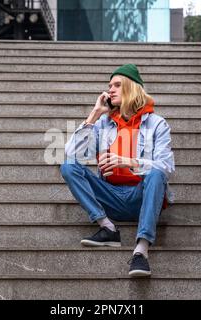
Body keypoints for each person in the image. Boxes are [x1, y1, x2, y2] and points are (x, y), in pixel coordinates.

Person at [60, 64, 175, 277]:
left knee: (156, 173)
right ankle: (107, 228)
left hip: (142, 197)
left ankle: (141, 250)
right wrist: (94, 115)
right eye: (109, 85)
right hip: (110, 196)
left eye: (117, 85)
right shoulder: (104, 124)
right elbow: (70, 153)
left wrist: (128, 162)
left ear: (132, 88)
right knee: (68, 166)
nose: (110, 90)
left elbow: (165, 167)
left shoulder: (157, 124)